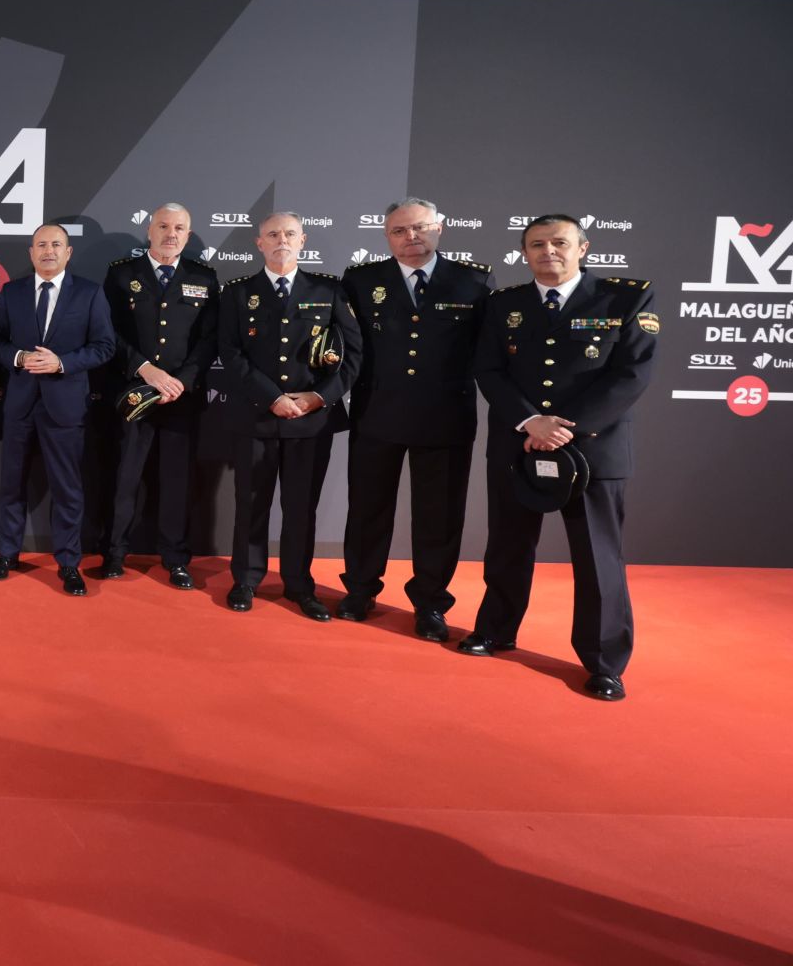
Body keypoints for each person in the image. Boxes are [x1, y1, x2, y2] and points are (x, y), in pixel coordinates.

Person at [459, 214, 659, 702]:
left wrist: (565, 427)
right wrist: (531, 422)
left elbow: (632, 373)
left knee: (598, 558)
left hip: (593, 448)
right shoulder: (504, 303)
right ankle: (496, 629)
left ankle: (604, 662)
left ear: (582, 248)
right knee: (508, 545)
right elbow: (488, 369)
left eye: (559, 242)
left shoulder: (625, 297)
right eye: (537, 244)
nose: (548, 251)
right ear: (524, 253)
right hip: (519, 443)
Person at [337, 198, 494, 639]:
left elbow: (487, 351)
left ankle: (430, 603)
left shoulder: (473, 280)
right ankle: (360, 590)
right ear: (387, 236)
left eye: (420, 228)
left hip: (445, 417)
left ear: (439, 228)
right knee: (367, 510)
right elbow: (349, 348)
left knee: (438, 517)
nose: (411, 237)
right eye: (399, 231)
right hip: (377, 412)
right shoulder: (361, 280)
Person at [216, 211, 362, 619]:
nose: (282, 239)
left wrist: (319, 397)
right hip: (256, 417)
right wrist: (271, 398)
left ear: (303, 240)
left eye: (290, 234)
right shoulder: (238, 292)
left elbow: (353, 354)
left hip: (310, 421)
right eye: (273, 234)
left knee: (301, 508)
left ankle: (299, 584)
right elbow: (229, 352)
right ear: (259, 243)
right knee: (251, 504)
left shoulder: (329, 290)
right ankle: (246, 579)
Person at [0, 223, 116, 596]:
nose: (48, 251)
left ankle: (68, 563)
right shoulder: (11, 292)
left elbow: (105, 346)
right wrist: (18, 356)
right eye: (41, 245)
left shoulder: (89, 293)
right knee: (11, 484)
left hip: (66, 406)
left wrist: (62, 363)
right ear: (31, 253)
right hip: (19, 404)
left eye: (56, 244)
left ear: (68, 252)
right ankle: (7, 554)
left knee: (67, 488)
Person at [101, 203, 219, 587]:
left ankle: (175, 558)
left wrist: (181, 380)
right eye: (164, 226)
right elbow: (107, 331)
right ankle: (114, 553)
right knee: (125, 478)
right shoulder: (121, 274)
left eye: (179, 228)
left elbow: (209, 339)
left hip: (180, 399)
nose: (171, 234)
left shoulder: (204, 276)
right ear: (149, 230)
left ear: (188, 234)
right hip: (134, 394)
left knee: (177, 481)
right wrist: (144, 369)